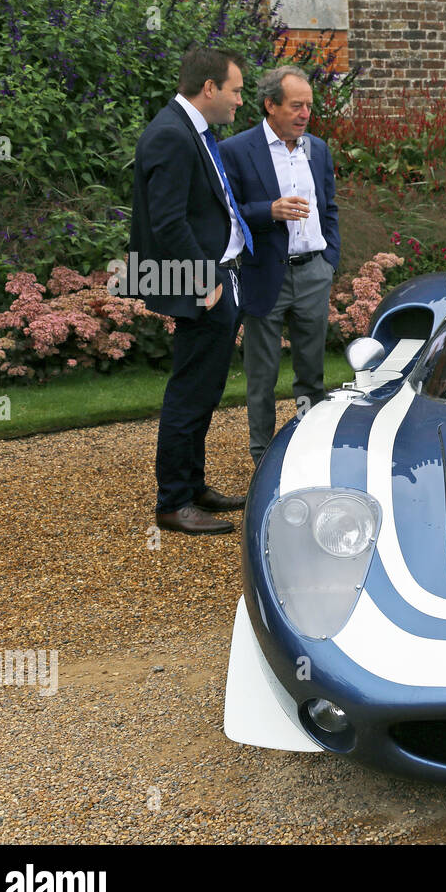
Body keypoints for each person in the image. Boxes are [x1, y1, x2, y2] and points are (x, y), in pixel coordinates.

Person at [130, 48, 253, 536]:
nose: (240, 101)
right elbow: (167, 221)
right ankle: (174, 503)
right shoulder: (170, 136)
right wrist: (204, 280)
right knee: (189, 392)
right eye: (236, 90)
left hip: (220, 277)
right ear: (209, 88)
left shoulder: (191, 131)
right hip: (202, 283)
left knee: (205, 389)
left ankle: (193, 486)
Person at [220, 67, 341, 466]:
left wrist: (329, 260)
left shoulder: (318, 149)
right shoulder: (238, 149)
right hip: (264, 273)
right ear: (270, 105)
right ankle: (263, 459)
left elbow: (330, 209)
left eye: (309, 105)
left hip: (313, 274)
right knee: (262, 376)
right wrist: (268, 211)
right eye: (296, 105)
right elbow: (227, 213)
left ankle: (309, 452)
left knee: (312, 375)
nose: (305, 113)